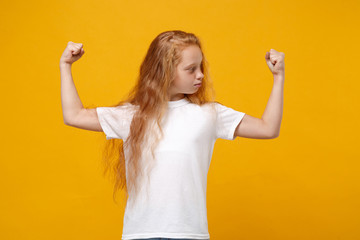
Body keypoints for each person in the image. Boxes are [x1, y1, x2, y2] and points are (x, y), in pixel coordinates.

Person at [60, 30, 285, 240]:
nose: (200, 75)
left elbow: (267, 128)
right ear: (164, 71)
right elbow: (74, 115)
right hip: (140, 234)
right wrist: (65, 66)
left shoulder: (208, 114)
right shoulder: (131, 116)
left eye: (201, 67)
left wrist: (278, 77)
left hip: (189, 234)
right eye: (191, 69)